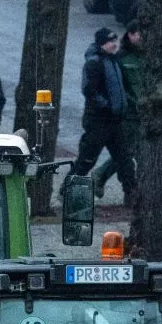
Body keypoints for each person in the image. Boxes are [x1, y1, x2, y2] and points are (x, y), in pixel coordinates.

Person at [70, 27, 134, 200]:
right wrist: (106, 106)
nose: (114, 45)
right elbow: (89, 91)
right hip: (98, 121)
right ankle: (67, 191)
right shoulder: (94, 63)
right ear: (101, 44)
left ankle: (132, 195)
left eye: (115, 41)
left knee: (125, 161)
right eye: (110, 42)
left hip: (115, 121)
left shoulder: (114, 60)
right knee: (86, 160)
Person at [94, 21, 143, 198]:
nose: (142, 37)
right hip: (129, 113)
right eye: (139, 33)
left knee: (131, 151)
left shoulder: (146, 57)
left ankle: (106, 177)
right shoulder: (122, 58)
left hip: (142, 112)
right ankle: (103, 175)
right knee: (129, 151)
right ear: (130, 34)